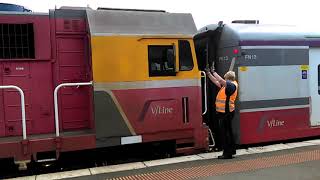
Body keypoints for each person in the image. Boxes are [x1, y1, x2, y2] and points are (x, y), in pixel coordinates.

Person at [205, 68, 238, 159]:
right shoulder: (226, 86)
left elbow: (219, 80)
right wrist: (209, 74)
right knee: (228, 132)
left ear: (228, 79)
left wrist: (214, 72)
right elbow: (216, 81)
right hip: (224, 113)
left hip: (226, 113)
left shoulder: (231, 86)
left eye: (225, 79)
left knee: (225, 133)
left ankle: (227, 153)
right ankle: (231, 151)